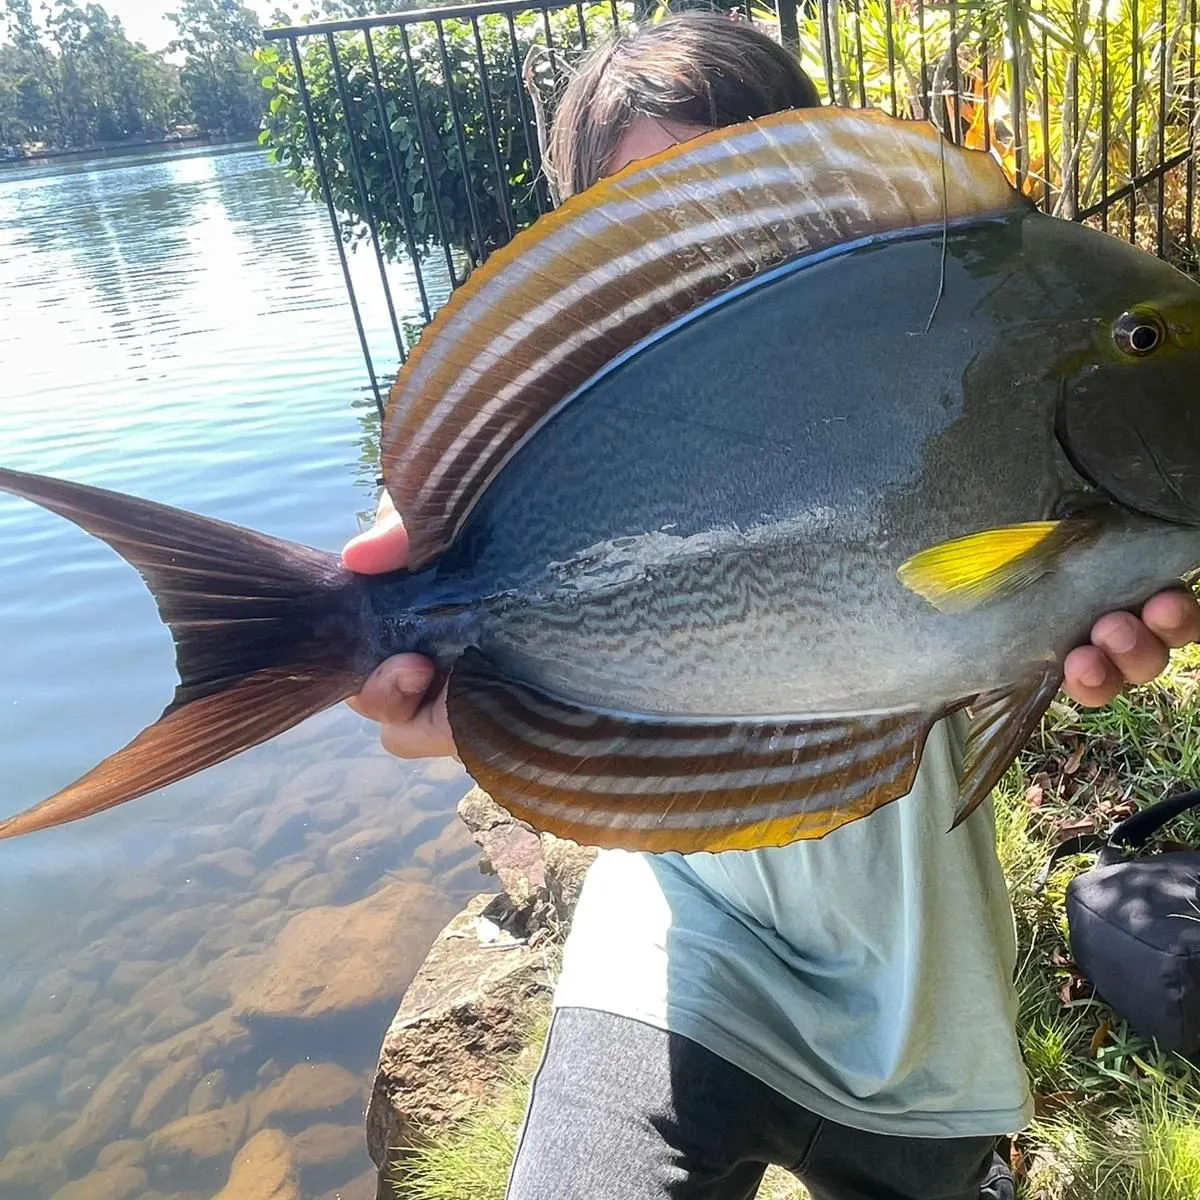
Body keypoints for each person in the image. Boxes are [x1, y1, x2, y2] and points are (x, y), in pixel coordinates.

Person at [343, 14, 1200, 1200]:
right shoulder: (576, 437)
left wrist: (1065, 646)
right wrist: (457, 699)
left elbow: (978, 597)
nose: (716, 258)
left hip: (915, 976)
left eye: (744, 202)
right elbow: (458, 686)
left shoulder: (943, 322)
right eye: (660, 223)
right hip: (676, 943)